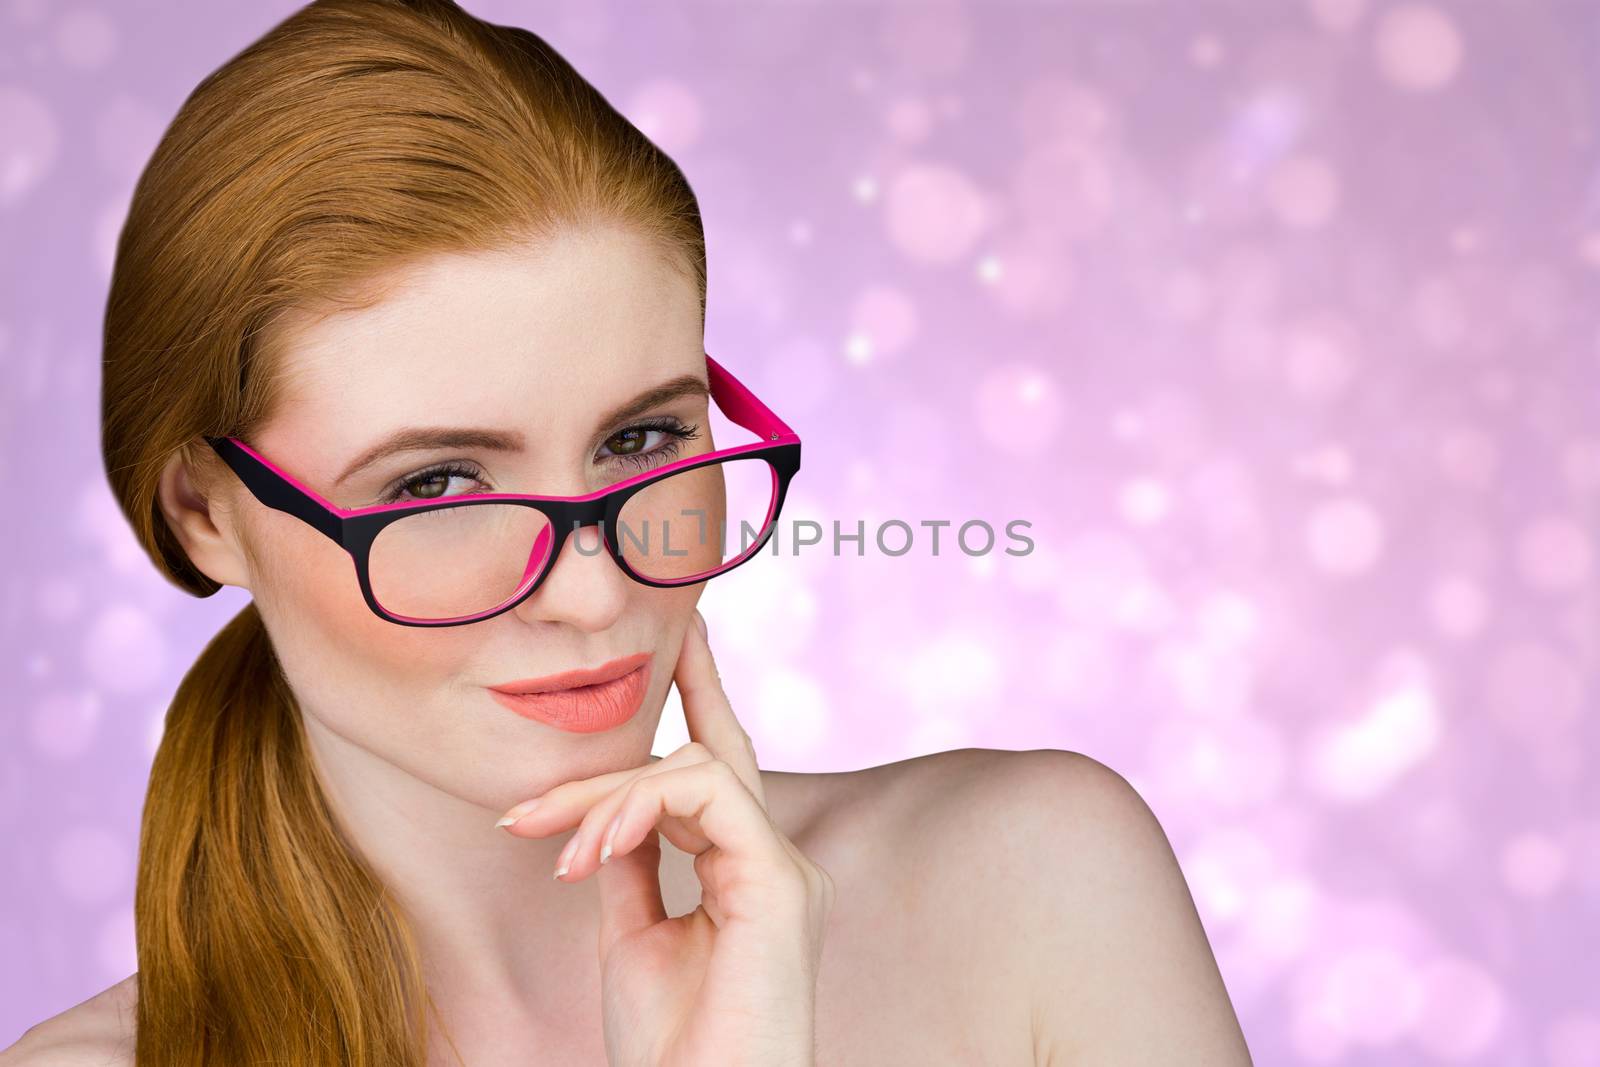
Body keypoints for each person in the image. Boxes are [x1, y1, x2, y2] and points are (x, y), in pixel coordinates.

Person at [2, 0, 1253, 1063]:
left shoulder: (1031, 886)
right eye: (438, 484)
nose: (595, 594)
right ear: (206, 513)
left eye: (641, 441)